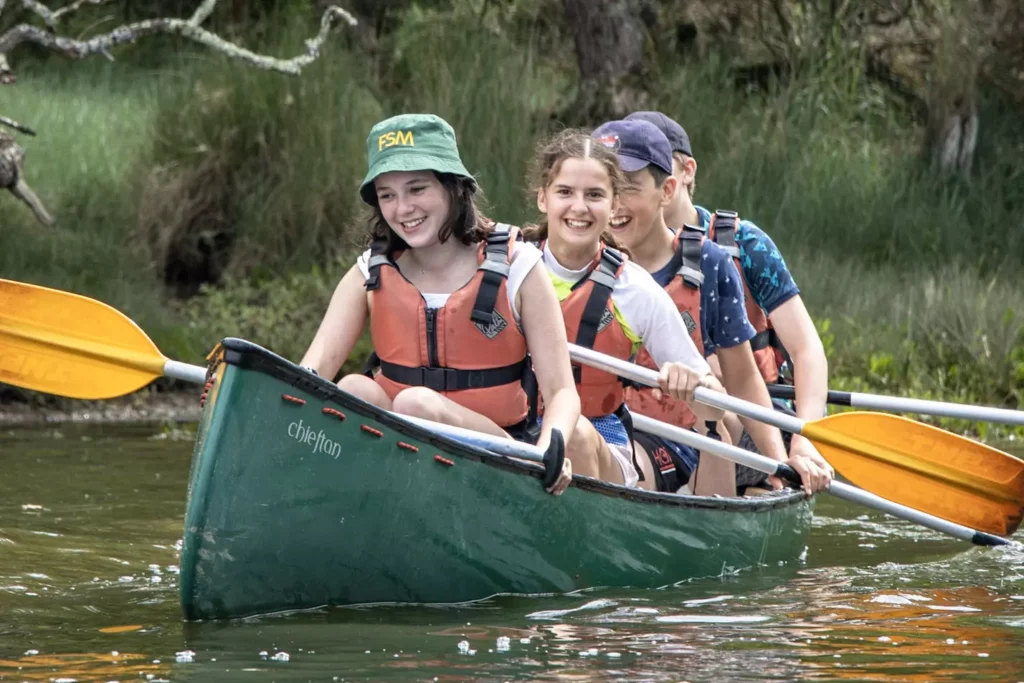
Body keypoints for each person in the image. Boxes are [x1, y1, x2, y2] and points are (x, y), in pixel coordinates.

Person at [299, 114, 579, 494]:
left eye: (417, 189)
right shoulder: (370, 270)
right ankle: (360, 502)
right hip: (397, 454)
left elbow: (562, 391)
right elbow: (310, 375)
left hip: (502, 458)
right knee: (353, 388)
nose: (403, 209)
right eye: (387, 195)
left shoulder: (520, 266)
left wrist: (549, 448)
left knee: (417, 403)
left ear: (453, 188)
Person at [624, 111, 834, 492]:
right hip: (654, 421)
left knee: (720, 388)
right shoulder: (608, 250)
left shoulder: (741, 245)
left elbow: (807, 350)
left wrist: (806, 438)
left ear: (684, 173)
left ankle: (761, 482)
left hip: (755, 413)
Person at [524, 127, 727, 491]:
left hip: (599, 437)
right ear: (543, 198)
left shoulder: (634, 289)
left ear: (613, 204)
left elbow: (714, 403)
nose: (579, 207)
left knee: (573, 434)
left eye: (595, 195)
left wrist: (694, 381)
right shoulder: (511, 265)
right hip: (517, 428)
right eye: (565, 192)